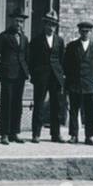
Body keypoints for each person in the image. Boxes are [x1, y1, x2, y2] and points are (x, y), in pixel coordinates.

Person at [0, 10, 30, 145]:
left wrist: (26, 69)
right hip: (7, 75)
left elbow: (26, 56)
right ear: (11, 21)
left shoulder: (24, 38)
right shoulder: (3, 37)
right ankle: (4, 134)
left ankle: (15, 132)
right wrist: (3, 66)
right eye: (17, 21)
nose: (19, 24)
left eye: (21, 22)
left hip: (20, 75)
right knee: (7, 103)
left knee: (17, 105)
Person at [28, 10, 66, 143]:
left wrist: (61, 75)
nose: (51, 27)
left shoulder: (59, 41)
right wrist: (35, 74)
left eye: (54, 25)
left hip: (55, 77)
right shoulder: (36, 40)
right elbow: (31, 60)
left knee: (56, 106)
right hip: (41, 77)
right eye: (49, 24)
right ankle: (36, 134)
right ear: (44, 25)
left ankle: (55, 134)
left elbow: (61, 59)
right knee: (38, 104)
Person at [64, 21, 93, 145]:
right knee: (74, 110)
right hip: (75, 83)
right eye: (83, 31)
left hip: (89, 84)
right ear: (79, 32)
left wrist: (92, 79)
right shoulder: (72, 46)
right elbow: (67, 65)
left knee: (90, 111)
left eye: (87, 31)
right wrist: (70, 81)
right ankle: (74, 135)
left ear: (90, 32)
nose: (85, 33)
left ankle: (89, 136)